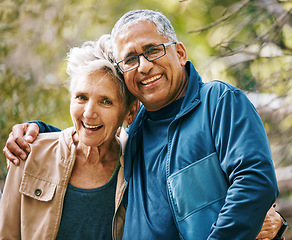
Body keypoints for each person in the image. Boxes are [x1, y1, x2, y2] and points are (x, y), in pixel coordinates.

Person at [3, 9, 286, 240]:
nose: (143, 66)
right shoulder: (137, 129)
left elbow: (254, 181)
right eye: (130, 59)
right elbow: (96, 131)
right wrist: (37, 130)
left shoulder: (218, 102)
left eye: (152, 50)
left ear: (180, 52)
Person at [0, 35, 139, 239]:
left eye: (106, 101)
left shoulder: (139, 166)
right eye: (81, 97)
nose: (89, 113)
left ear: (129, 112)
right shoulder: (27, 153)